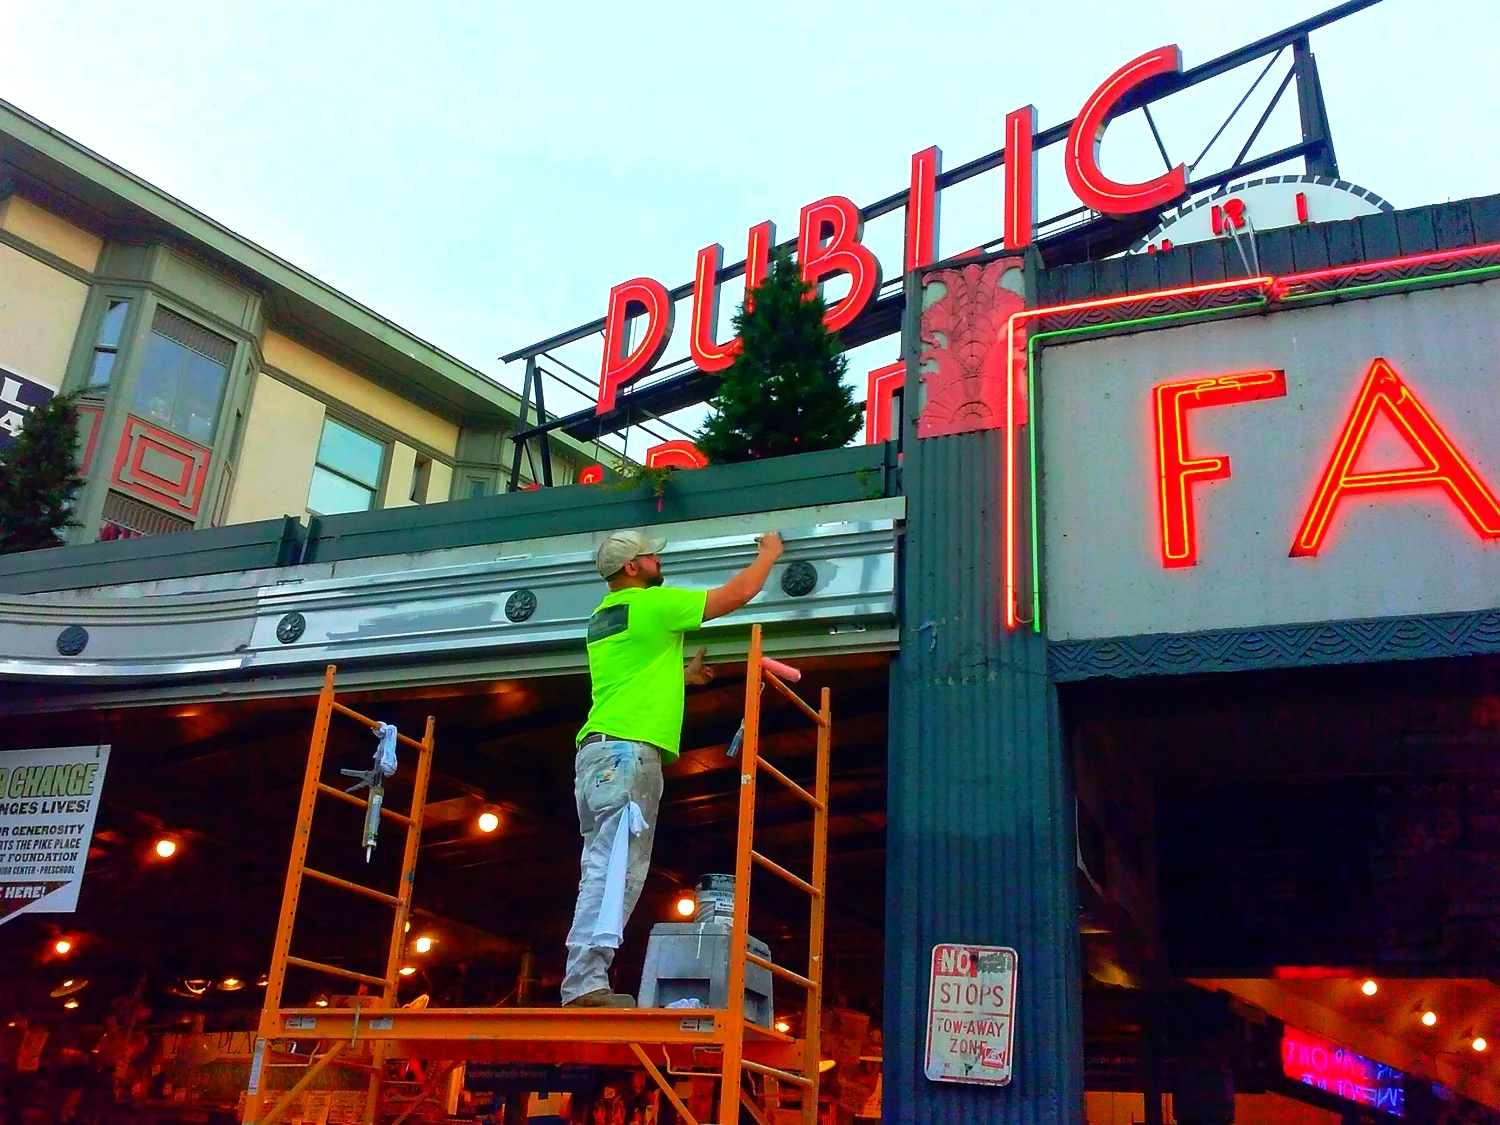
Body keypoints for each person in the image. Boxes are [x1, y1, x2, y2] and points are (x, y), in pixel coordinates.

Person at [561, 527, 785, 1008]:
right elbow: (737, 594)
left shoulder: (604, 616)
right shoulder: (652, 606)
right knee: (616, 870)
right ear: (632, 567)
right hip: (627, 755)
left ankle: (583, 979)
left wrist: (681, 677)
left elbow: (632, 674)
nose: (659, 563)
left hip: (599, 754)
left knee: (601, 867)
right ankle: (584, 985)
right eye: (651, 558)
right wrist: (769, 553)